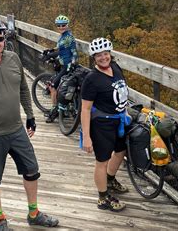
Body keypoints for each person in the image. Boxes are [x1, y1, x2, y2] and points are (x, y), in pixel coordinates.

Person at [0, 17, 59, 230]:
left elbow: (24, 89)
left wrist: (30, 116)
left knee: (32, 170)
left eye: (0, 38)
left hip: (16, 129)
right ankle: (0, 218)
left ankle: (33, 213)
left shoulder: (14, 59)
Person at [80, 37, 130, 212]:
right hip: (102, 124)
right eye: (99, 55)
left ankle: (110, 179)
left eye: (105, 53)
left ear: (110, 54)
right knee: (102, 160)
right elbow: (85, 109)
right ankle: (103, 198)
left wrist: (125, 111)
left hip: (119, 121)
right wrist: (86, 137)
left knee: (121, 151)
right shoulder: (91, 79)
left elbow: (122, 90)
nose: (103, 57)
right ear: (94, 57)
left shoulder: (115, 68)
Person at [46, 15, 78, 123]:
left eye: (63, 25)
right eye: (59, 25)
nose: (61, 27)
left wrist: (72, 63)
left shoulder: (69, 37)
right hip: (62, 63)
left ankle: (54, 110)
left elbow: (74, 52)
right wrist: (51, 50)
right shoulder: (63, 36)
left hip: (67, 66)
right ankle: (60, 109)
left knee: (53, 86)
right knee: (55, 83)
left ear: (67, 25)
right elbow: (61, 48)